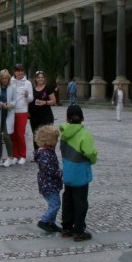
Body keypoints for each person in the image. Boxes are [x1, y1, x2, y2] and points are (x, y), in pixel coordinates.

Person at [59, 104, 98, 242]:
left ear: (67, 119)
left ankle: (66, 228)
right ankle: (79, 230)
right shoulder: (84, 134)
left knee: (68, 200)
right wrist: (94, 157)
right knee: (80, 202)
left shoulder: (63, 135)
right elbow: (89, 152)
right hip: (80, 173)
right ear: (83, 118)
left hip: (68, 172)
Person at [34, 124, 63, 233]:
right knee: (55, 204)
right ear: (49, 140)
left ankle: (51, 222)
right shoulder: (45, 153)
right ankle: (44, 221)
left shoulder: (48, 151)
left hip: (50, 183)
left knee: (55, 203)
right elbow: (49, 169)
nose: (57, 141)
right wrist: (59, 173)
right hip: (48, 184)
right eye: (56, 139)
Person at [10, 64, 33, 165]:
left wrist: (28, 96)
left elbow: (31, 99)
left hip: (22, 110)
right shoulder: (10, 82)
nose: (19, 73)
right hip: (11, 111)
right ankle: (15, 155)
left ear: (24, 72)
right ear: (14, 72)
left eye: (21, 71)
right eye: (17, 71)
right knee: (13, 135)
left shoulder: (27, 83)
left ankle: (23, 155)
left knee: (20, 134)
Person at [28, 71, 56, 157]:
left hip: (46, 115)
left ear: (44, 79)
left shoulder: (48, 88)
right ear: (35, 79)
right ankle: (37, 153)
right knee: (36, 135)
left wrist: (45, 102)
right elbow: (29, 101)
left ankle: (48, 153)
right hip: (34, 116)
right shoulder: (32, 89)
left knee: (47, 135)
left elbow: (54, 101)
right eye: (38, 77)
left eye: (42, 77)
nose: (40, 79)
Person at [0, 69, 16, 167]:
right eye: (3, 78)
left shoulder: (12, 87)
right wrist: (0, 104)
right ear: (0, 78)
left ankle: (10, 157)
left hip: (8, 114)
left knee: (7, 136)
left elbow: (15, 101)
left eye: (6, 78)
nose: (5, 80)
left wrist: (9, 104)